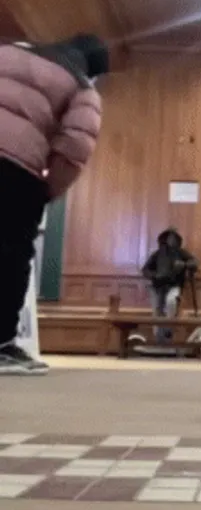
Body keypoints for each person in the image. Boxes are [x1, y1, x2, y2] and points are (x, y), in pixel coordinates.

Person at [0, 34, 108, 375]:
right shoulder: (82, 88)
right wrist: (45, 191)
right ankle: (1, 346)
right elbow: (74, 147)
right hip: (13, 167)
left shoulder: (7, 52)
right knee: (10, 254)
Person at [142, 229, 197, 343]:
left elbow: (194, 263)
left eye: (173, 238)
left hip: (174, 286)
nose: (171, 241)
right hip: (158, 287)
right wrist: (155, 275)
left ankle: (168, 328)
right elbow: (145, 270)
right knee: (157, 311)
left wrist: (184, 264)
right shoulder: (157, 254)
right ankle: (158, 340)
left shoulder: (181, 252)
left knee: (171, 301)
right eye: (169, 238)